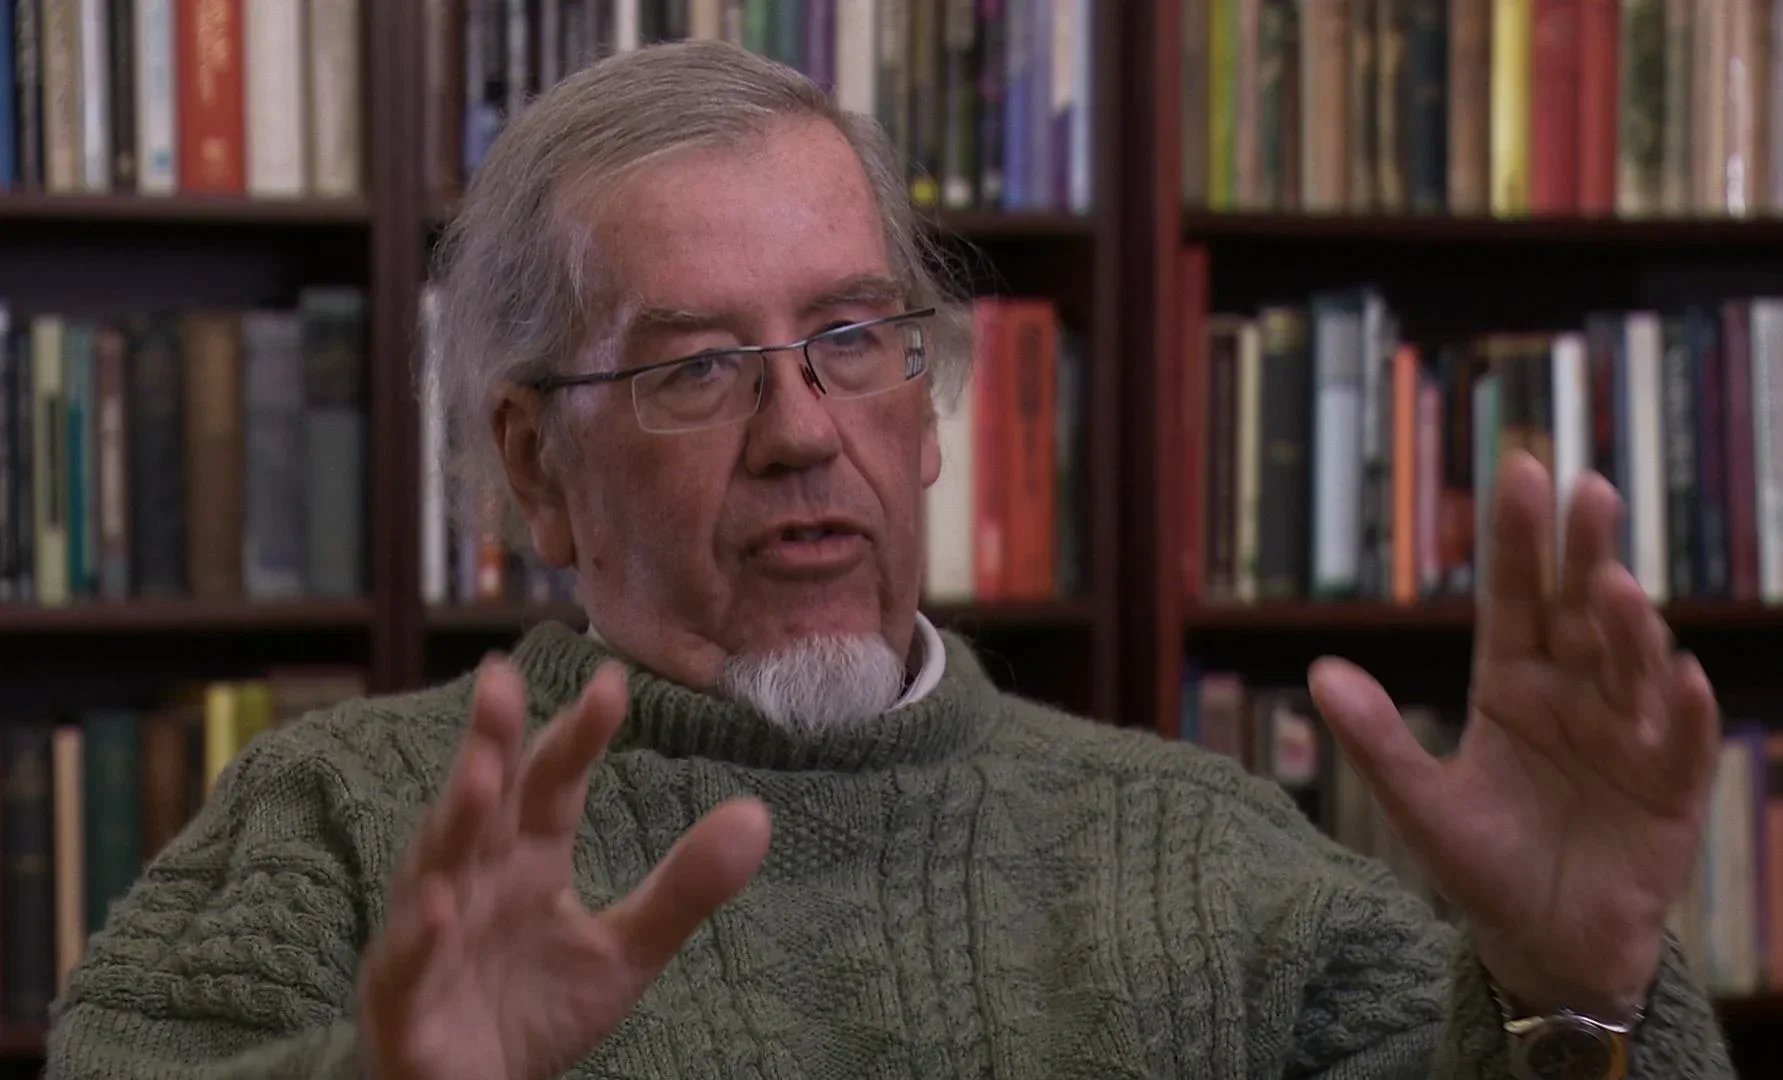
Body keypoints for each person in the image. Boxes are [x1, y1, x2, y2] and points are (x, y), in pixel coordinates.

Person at [47, 40, 1733, 1080]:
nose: (801, 429)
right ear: (534, 467)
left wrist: (1579, 992)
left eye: (856, 338)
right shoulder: (343, 821)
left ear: (928, 415)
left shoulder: (1202, 847)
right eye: (695, 366)